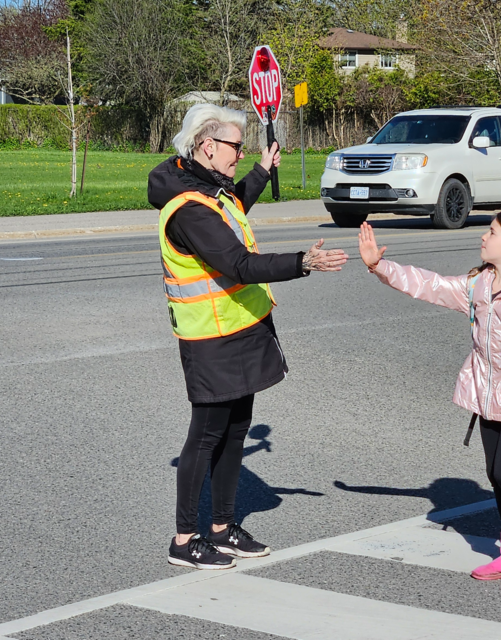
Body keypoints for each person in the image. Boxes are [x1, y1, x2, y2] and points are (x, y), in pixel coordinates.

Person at [148, 104, 348, 570]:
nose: (241, 153)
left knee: (236, 432)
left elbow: (233, 208)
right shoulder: (188, 209)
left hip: (239, 327)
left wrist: (260, 171)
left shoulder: (207, 189)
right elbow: (235, 262)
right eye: (238, 147)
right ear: (208, 145)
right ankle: (184, 538)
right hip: (211, 339)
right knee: (206, 435)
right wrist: (302, 262)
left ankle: (220, 527)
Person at [358, 210, 501, 589]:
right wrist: (380, 266)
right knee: (493, 475)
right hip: (488, 398)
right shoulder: (479, 285)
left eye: (492, 232)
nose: (484, 237)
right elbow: (431, 285)